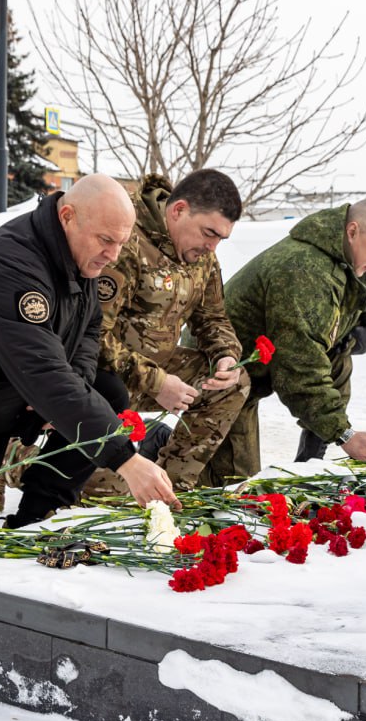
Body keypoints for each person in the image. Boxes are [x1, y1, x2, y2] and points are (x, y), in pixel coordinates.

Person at [0, 175, 180, 530]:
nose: (113, 254)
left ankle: (36, 513)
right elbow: (44, 374)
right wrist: (125, 460)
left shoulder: (76, 255)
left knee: (106, 391)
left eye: (121, 243)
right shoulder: (12, 266)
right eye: (106, 240)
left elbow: (87, 335)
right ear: (68, 216)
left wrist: (55, 404)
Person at [206, 197, 366, 485]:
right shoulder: (304, 270)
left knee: (337, 360)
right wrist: (344, 434)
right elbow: (299, 371)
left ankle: (309, 464)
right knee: (232, 486)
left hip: (262, 366)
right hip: (223, 373)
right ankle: (161, 444)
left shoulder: (358, 263)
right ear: (353, 231)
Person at [88, 171, 249, 493]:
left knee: (234, 384)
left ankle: (172, 485)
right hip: (102, 382)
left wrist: (225, 356)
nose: (212, 246)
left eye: (220, 238)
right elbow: (92, 335)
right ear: (178, 210)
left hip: (158, 371)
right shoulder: (126, 240)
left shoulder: (201, 255)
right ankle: (14, 458)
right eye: (208, 233)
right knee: (106, 497)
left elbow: (212, 316)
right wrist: (157, 383)